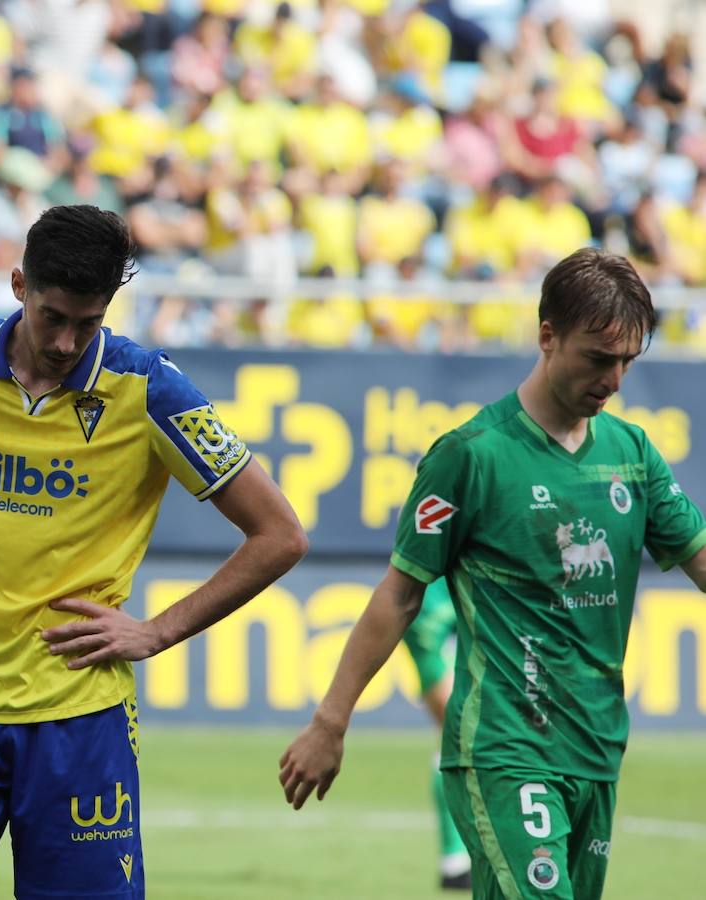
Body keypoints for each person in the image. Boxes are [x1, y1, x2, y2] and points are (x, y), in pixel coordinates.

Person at [0, 205, 309, 899]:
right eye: (53, 316)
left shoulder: (150, 389)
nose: (67, 341)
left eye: (89, 322)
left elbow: (280, 534)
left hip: (79, 719)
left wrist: (157, 631)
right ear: (20, 284)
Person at [279, 248, 706, 900]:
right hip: (503, 748)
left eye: (627, 361)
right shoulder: (470, 456)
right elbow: (399, 594)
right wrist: (330, 721)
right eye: (598, 358)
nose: (615, 379)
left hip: (597, 748)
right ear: (546, 336)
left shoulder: (633, 455)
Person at [401, 580, 471, 890]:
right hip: (433, 598)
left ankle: (465, 857)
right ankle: (455, 859)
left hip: (487, 590)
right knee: (456, 729)